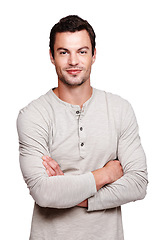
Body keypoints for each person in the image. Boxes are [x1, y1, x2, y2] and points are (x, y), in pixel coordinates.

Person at [17, 15, 148, 240]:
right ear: (51, 56)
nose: (73, 61)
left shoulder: (119, 109)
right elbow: (43, 192)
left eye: (82, 51)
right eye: (64, 52)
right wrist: (105, 174)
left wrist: (70, 193)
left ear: (94, 55)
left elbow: (137, 184)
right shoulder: (33, 115)